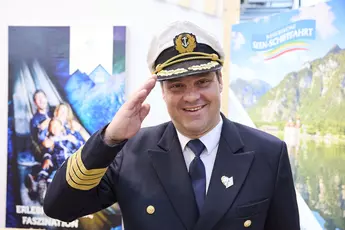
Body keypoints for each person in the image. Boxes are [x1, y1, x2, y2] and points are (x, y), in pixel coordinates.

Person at [43, 21, 300, 230]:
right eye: (177, 86)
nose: (191, 96)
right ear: (163, 92)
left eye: (202, 82)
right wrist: (108, 139)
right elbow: (60, 208)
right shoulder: (129, 153)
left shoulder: (268, 153)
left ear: (220, 81)